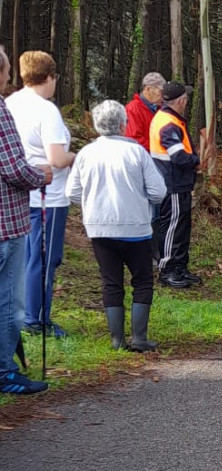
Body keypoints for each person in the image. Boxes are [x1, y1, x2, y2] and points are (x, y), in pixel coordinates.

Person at [67, 100, 166, 351]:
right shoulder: (136, 152)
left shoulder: (86, 153)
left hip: (99, 228)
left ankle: (116, 340)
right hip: (135, 227)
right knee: (142, 280)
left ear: (96, 124)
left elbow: (72, 193)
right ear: (124, 124)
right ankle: (140, 338)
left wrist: (92, 204)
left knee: (111, 281)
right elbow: (158, 191)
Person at [5, 51, 74, 338]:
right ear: (50, 77)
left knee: (26, 258)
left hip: (19, 193)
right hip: (49, 195)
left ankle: (22, 314)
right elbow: (57, 159)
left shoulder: (11, 102)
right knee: (45, 259)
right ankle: (36, 319)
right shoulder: (46, 111)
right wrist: (78, 155)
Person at [0, 45, 52, 394]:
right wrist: (41, 176)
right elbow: (12, 167)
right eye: (4, 72)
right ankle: (5, 372)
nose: (7, 78)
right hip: (6, 222)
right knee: (7, 300)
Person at [150, 82, 200, 289]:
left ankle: (180, 268)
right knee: (172, 228)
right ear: (181, 101)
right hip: (172, 184)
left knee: (181, 228)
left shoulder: (170, 120)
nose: (187, 102)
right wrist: (196, 161)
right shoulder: (168, 124)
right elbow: (178, 156)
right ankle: (168, 270)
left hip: (178, 184)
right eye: (186, 99)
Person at [124, 72, 165, 152]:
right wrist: (161, 147)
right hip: (141, 159)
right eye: (160, 91)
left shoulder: (160, 109)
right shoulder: (133, 109)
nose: (163, 96)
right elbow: (133, 140)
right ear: (148, 89)